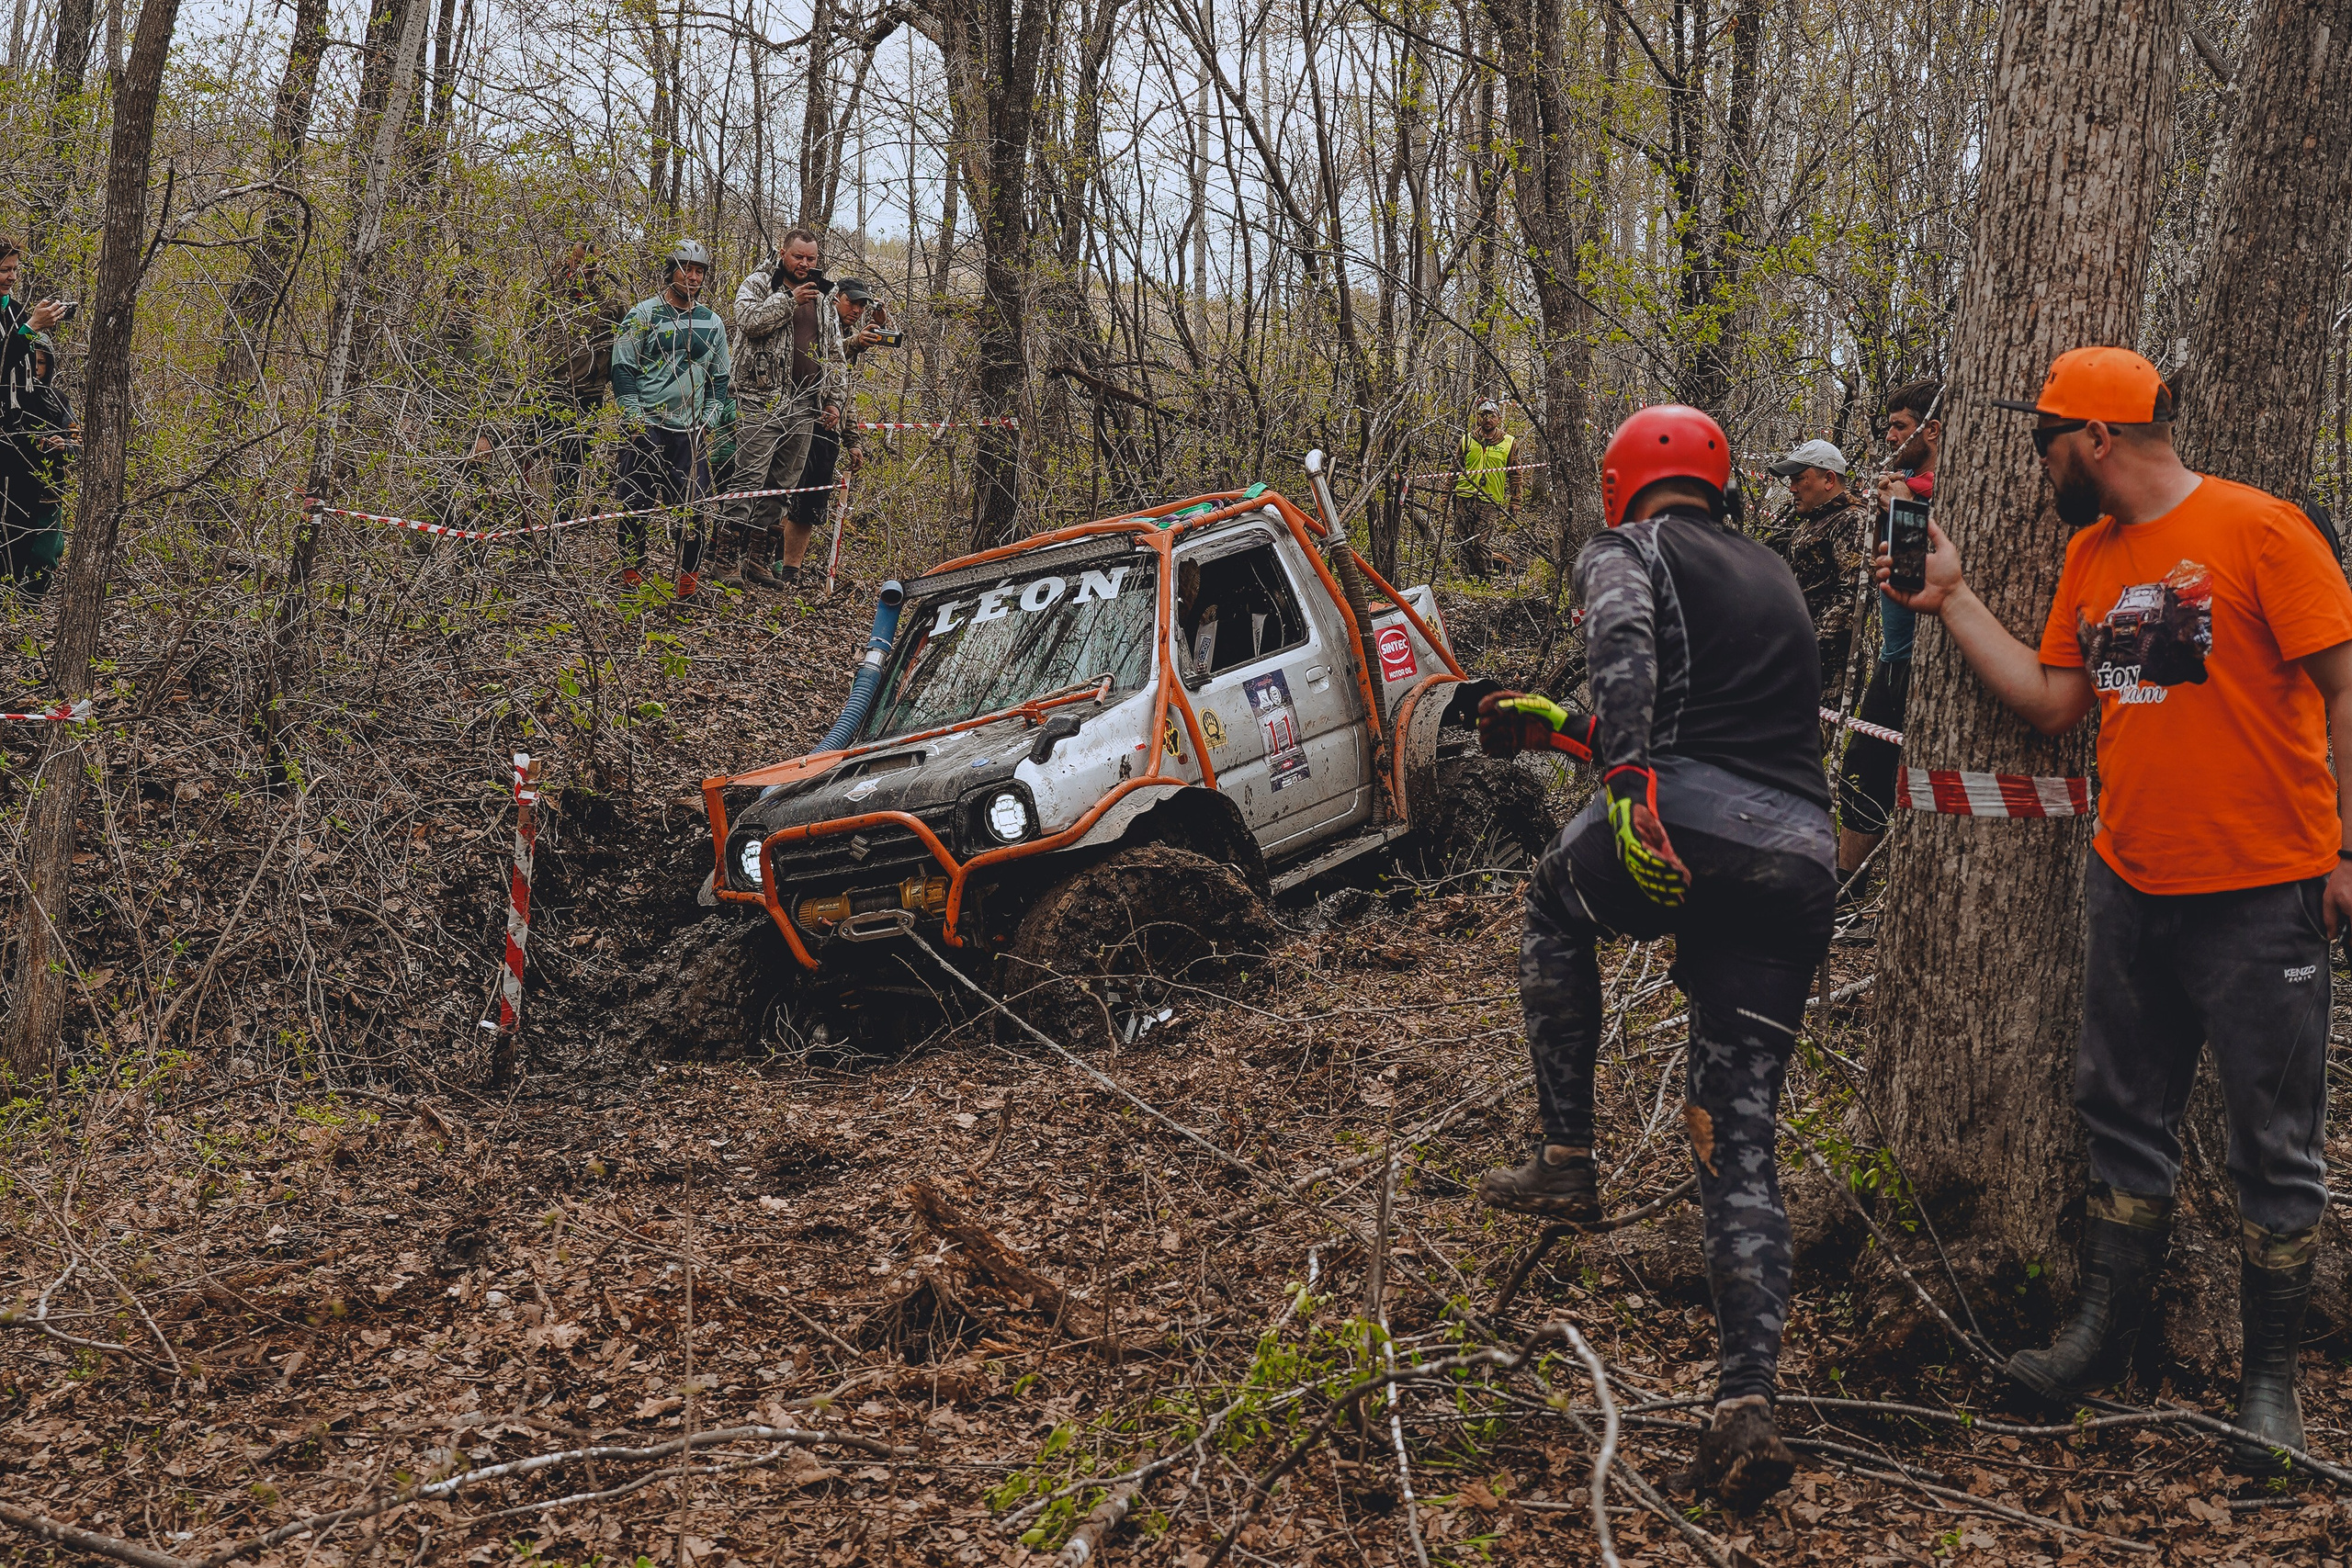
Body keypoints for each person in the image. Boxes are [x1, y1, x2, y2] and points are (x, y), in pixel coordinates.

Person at [1880, 346, 2352, 1472]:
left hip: (2264, 894)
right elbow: (2052, 703)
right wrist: (1948, 598)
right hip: (2131, 887)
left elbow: (2344, 687)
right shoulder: (2088, 558)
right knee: (2120, 1117)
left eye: (2046, 442)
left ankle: (2267, 1386)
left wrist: (2347, 850)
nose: (2040, 465)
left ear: (2094, 438)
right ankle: (2099, 1331)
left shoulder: (2261, 530)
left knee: (2272, 1147)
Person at [1475, 403, 1835, 1512]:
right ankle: (1744, 1403)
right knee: (1737, 1143)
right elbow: (1724, 724)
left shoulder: (1625, 549)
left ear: (1618, 486)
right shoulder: (1771, 570)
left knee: (1548, 902)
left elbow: (1625, 648)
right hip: (1797, 861)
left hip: (1681, 812)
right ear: (1720, 486)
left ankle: (1566, 1157)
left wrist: (1622, 783)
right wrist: (1567, 735)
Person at [1835, 378, 1939, 908]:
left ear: (1932, 430)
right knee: (1865, 768)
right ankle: (1850, 891)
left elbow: (1911, 576)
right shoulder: (1908, 488)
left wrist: (1901, 510)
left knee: (1866, 766)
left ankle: (1848, 893)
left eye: (1900, 426)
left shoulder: (1938, 494)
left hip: (1916, 662)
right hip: (1894, 654)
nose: (1891, 436)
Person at [610, 239, 730, 597]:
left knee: (692, 511)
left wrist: (711, 414)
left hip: (690, 432)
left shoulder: (713, 322)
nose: (692, 277)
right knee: (636, 504)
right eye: (686, 268)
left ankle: (687, 586)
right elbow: (622, 369)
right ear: (671, 271)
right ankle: (632, 578)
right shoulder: (643, 315)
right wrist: (633, 415)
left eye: (699, 271)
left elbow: (721, 377)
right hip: (646, 425)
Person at [722, 228, 828, 586]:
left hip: (804, 404)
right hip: (759, 400)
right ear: (784, 253)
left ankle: (758, 560)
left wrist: (834, 401)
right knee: (748, 480)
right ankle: (724, 559)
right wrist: (789, 300)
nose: (805, 264)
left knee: (782, 486)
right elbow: (748, 323)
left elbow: (835, 355)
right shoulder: (758, 283)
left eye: (811, 258)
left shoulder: (822, 297)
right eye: (798, 256)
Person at [765, 278, 887, 586]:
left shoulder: (852, 337)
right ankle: (765, 559)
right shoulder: (818, 321)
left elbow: (844, 392)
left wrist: (854, 441)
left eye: (862, 306)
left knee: (810, 504)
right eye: (852, 303)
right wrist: (856, 342)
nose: (857, 310)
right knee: (780, 493)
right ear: (836, 299)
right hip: (797, 419)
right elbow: (823, 359)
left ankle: (791, 570)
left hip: (827, 432)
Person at [1761, 437, 1869, 706]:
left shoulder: (1851, 520)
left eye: (1799, 479)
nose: (1792, 489)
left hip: (1828, 667)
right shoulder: (1812, 522)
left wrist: (1807, 645)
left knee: (1803, 744)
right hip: (1795, 660)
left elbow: (1852, 597)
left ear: (1829, 480)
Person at [526, 241, 629, 521]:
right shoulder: (550, 290)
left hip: (586, 396)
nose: (586, 268)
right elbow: (528, 329)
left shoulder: (612, 298)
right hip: (544, 391)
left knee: (570, 467)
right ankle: (523, 525)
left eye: (592, 263)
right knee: (524, 455)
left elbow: (628, 340)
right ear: (569, 259)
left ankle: (560, 528)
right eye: (580, 261)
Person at [1, 333, 75, 594]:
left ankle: (29, 608)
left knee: (45, 555)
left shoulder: (58, 400)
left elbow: (76, 442)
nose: (35, 368)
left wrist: (63, 445)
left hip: (48, 492)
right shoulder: (6, 398)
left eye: (41, 362)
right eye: (29, 360)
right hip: (9, 493)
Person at [1452, 399, 1521, 579]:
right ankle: (1464, 577)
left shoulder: (1509, 442)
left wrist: (1515, 500)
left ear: (1498, 419)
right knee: (1462, 540)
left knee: (1481, 542)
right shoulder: (1467, 440)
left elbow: (1515, 474)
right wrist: (1445, 494)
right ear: (1478, 418)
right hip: (1464, 495)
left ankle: (1484, 578)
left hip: (1490, 499)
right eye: (1483, 415)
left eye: (1491, 416)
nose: (1487, 419)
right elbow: (1454, 468)